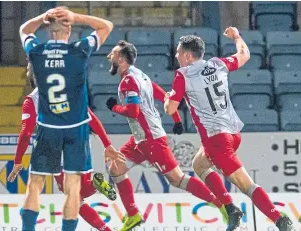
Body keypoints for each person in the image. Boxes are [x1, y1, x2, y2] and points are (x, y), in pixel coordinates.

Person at [164, 27, 294, 231]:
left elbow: (171, 108)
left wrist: (166, 100)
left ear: (188, 56)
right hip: (233, 133)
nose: (176, 56)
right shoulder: (218, 64)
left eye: (179, 52)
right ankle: (231, 209)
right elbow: (244, 54)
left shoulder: (183, 75)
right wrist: (236, 37)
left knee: (247, 186)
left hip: (217, 141)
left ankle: (280, 219)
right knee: (198, 164)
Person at [103, 40, 241, 231]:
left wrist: (114, 107)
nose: (109, 56)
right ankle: (133, 215)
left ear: (121, 58)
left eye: (113, 53)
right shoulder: (139, 75)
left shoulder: (128, 81)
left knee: (177, 179)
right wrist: (176, 119)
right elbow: (161, 94)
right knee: (116, 168)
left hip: (151, 140)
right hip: (140, 139)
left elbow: (133, 111)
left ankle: (223, 206)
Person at [18, 6, 115, 231]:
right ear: (68, 30)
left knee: (35, 184)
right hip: (76, 127)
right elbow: (106, 26)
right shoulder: (79, 50)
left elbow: (24, 29)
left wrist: (43, 18)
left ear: (48, 30)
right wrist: (76, 17)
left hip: (48, 126)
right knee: (73, 185)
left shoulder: (36, 52)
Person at [7, 64, 124, 231]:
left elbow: (26, 133)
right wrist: (107, 144)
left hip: (56, 150)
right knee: (79, 195)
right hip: (80, 143)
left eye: (28, 69)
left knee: (74, 198)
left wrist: (18, 160)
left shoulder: (31, 100)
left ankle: (96, 195)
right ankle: (104, 222)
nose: (26, 72)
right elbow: (92, 118)